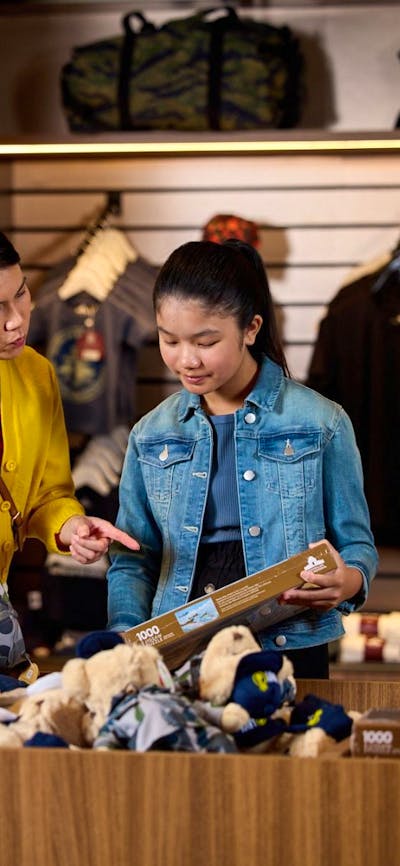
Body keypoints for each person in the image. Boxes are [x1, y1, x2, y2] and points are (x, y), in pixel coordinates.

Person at [107, 239, 378, 678]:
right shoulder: (150, 435)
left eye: (206, 341)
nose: (186, 359)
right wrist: (125, 637)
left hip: (291, 647)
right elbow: (134, 556)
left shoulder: (322, 422)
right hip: (178, 651)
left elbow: (356, 544)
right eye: (169, 339)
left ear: (251, 328)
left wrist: (346, 582)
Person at [0, 231, 138, 674]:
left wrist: (70, 526)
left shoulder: (37, 373)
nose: (16, 321)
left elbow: (48, 492)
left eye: (20, 295)